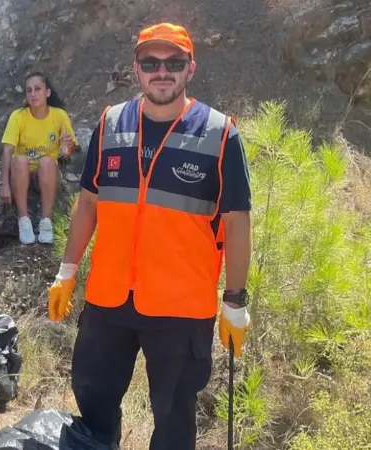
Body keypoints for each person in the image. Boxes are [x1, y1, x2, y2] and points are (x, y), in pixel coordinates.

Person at [47, 23, 252, 449]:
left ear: (190, 69)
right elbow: (88, 204)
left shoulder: (219, 133)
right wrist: (67, 271)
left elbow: (236, 221)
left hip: (180, 309)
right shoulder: (110, 123)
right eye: (151, 63)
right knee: (93, 397)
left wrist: (235, 300)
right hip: (108, 299)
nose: (162, 72)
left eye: (173, 63)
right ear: (136, 69)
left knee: (174, 421)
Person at [0, 72, 78, 245]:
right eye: (29, 91)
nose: (33, 94)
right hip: (22, 174)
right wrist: (5, 185)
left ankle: (46, 221)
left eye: (37, 89)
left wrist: (67, 147)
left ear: (47, 92)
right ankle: (24, 221)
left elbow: (68, 152)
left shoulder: (59, 116)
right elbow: (7, 151)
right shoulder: (18, 116)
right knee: (19, 159)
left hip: (47, 174)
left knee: (47, 161)